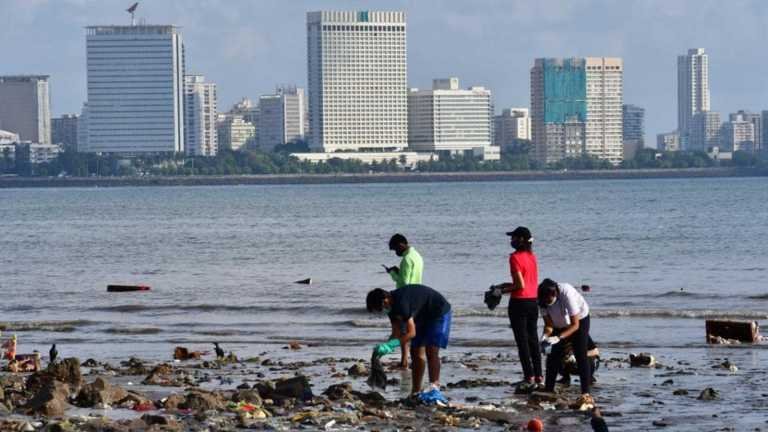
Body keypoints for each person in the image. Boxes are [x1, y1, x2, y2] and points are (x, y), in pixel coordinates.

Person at [366, 284, 451, 402]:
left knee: (431, 351)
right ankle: (415, 392)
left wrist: (392, 345)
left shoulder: (401, 303)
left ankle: (434, 388)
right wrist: (384, 348)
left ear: (385, 300)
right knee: (415, 352)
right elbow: (396, 333)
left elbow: (411, 333)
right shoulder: (391, 308)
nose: (382, 311)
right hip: (421, 316)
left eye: (380, 308)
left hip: (438, 312)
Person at [490, 226, 541, 389]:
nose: (510, 241)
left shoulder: (514, 257)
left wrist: (500, 291)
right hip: (533, 301)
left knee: (522, 342)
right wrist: (504, 285)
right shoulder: (532, 256)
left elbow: (520, 285)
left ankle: (528, 377)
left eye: (513, 238)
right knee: (533, 339)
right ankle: (539, 375)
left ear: (520, 240)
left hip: (519, 303)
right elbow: (527, 282)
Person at [538, 278, 594, 407]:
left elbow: (575, 325)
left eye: (549, 301)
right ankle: (549, 390)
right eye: (544, 301)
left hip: (580, 319)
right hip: (559, 324)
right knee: (553, 356)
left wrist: (559, 337)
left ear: (554, 294)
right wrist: (545, 335)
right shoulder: (540, 300)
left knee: (580, 354)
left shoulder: (566, 292)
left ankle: (585, 393)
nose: (547, 303)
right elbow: (549, 324)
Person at [383, 233, 424, 368]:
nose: (396, 252)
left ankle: (404, 361)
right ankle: (408, 360)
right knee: (410, 330)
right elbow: (411, 277)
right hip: (417, 295)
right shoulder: (417, 256)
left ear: (401, 245)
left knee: (403, 331)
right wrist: (397, 272)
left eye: (395, 249)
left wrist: (393, 273)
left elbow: (404, 282)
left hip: (405, 298)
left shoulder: (406, 259)